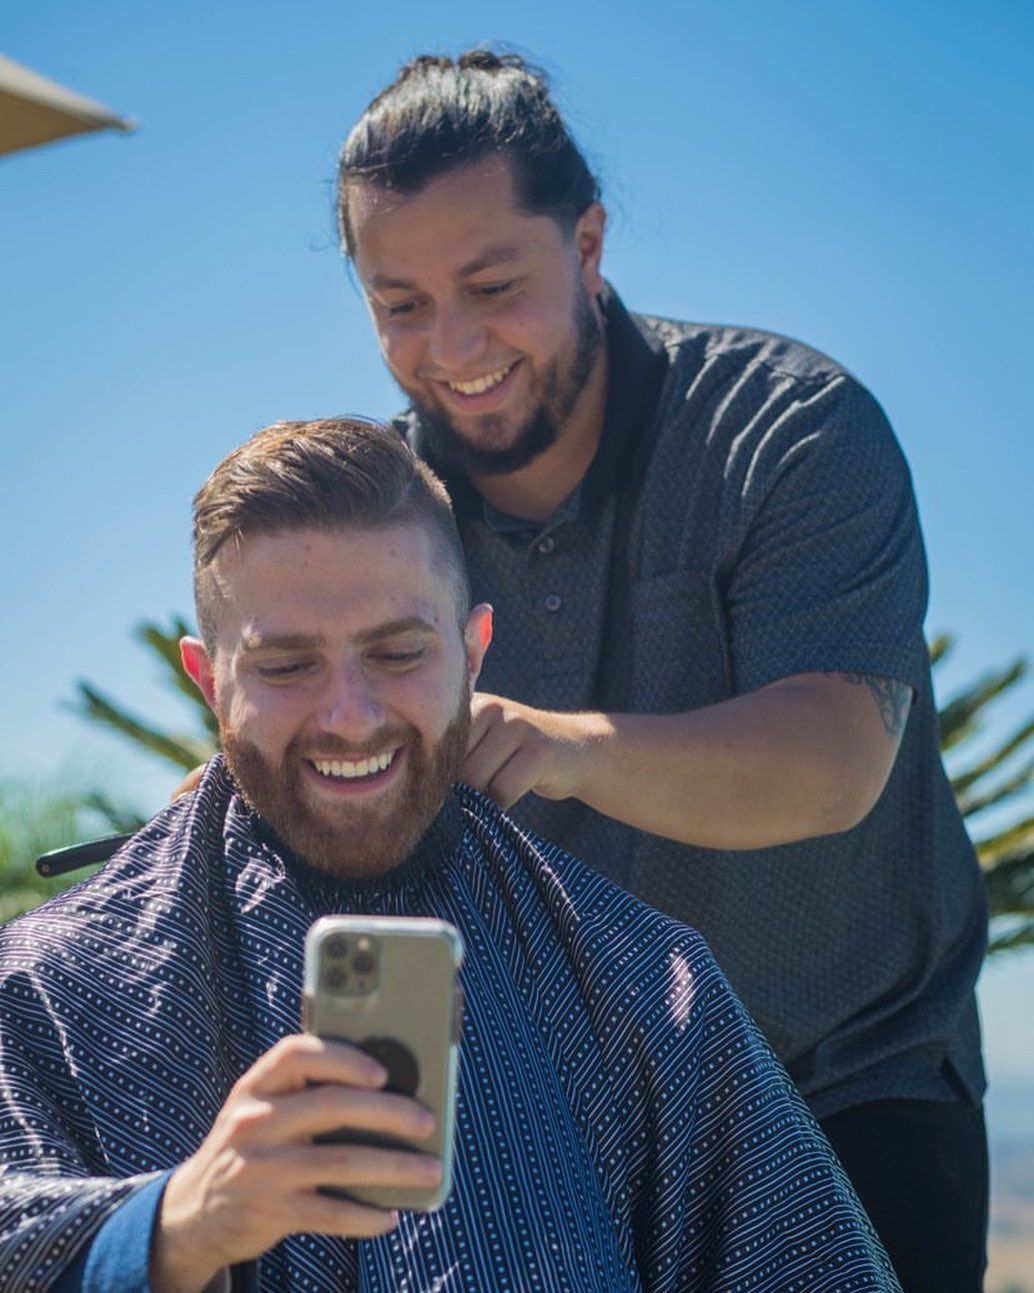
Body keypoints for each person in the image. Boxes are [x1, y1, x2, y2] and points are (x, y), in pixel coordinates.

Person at [333, 51, 989, 1292]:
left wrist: (562, 745)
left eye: (491, 284)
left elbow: (832, 762)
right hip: (550, 1125)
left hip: (848, 1090)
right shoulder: (373, 510)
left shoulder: (790, 429)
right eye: (398, 304)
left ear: (585, 244)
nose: (452, 346)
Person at [0, 419, 899, 1292]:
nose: (349, 714)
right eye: (285, 667)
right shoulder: (52, 982)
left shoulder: (646, 987)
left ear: (473, 653)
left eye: (398, 651)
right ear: (210, 681)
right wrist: (174, 1224)